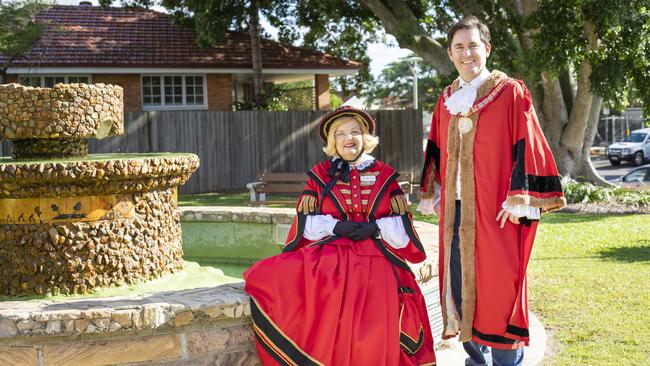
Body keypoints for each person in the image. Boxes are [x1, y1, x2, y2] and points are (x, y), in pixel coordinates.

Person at [417, 16, 566, 366]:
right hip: (454, 213)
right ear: (451, 55)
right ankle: (475, 361)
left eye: (473, 45)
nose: (466, 53)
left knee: (500, 292)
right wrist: (434, 190)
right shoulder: (447, 98)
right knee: (461, 286)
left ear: (487, 49)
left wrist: (520, 199)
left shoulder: (510, 92)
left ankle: (506, 362)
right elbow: (436, 146)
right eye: (459, 47)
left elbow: (528, 144)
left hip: (496, 212)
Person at [244, 106, 436, 366]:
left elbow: (403, 232)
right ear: (332, 140)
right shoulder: (320, 175)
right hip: (331, 260)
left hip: (377, 259)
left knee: (373, 328)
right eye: (341, 133)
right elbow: (305, 226)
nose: (349, 138)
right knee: (268, 277)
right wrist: (335, 227)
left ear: (365, 137)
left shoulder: (385, 175)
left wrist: (375, 228)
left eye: (355, 132)